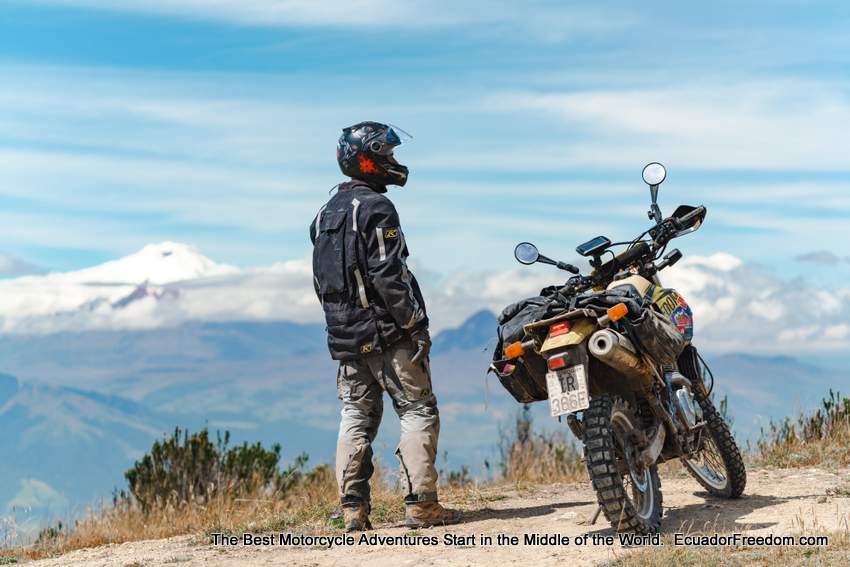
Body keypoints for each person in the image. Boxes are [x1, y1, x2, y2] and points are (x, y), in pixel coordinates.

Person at [309, 121, 461, 531]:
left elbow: (322, 281)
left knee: (355, 414)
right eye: (388, 154)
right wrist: (415, 324)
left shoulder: (325, 213)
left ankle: (352, 509)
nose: (394, 161)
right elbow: (388, 275)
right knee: (417, 408)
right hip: (388, 332)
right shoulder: (377, 208)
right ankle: (421, 505)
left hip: (344, 334)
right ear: (370, 158)